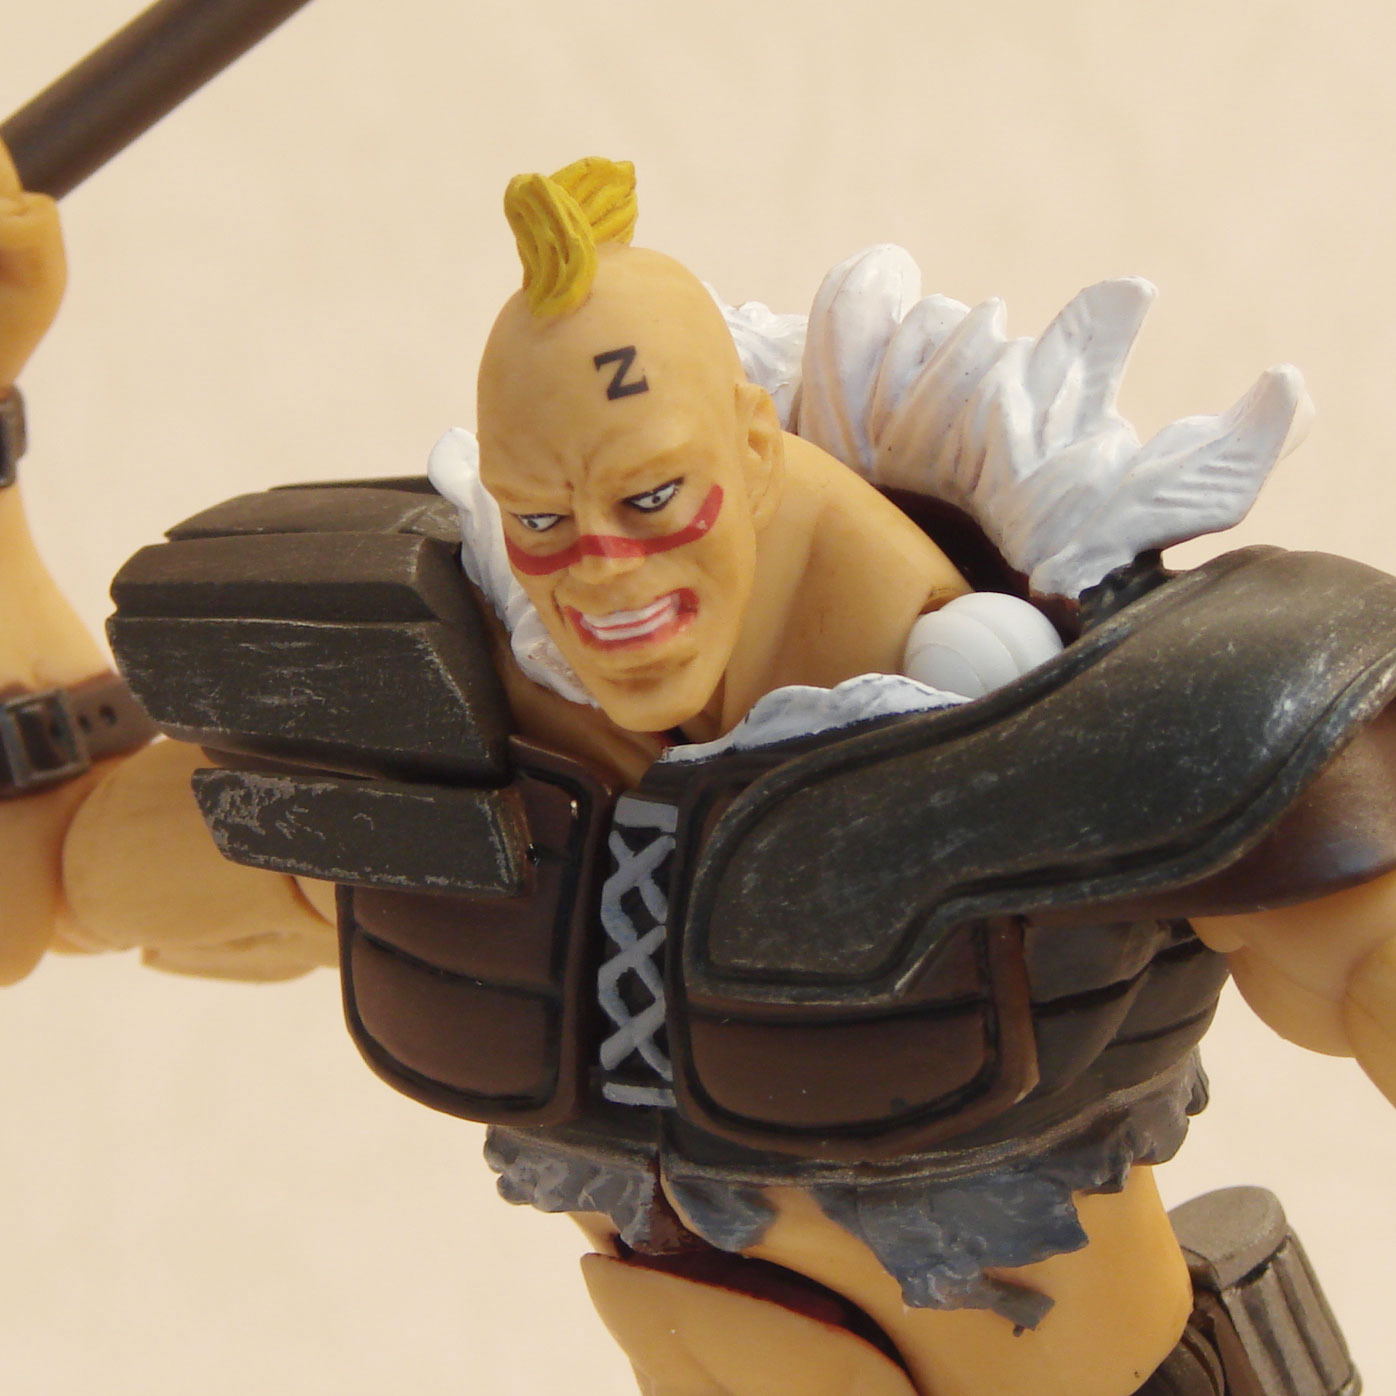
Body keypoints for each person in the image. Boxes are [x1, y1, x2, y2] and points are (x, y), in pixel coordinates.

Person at [4, 147, 1395, 1395]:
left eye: (651, 496)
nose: (603, 572)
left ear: (753, 442)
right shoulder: (465, 761)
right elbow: (50, 864)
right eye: (543, 518)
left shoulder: (1087, 739)